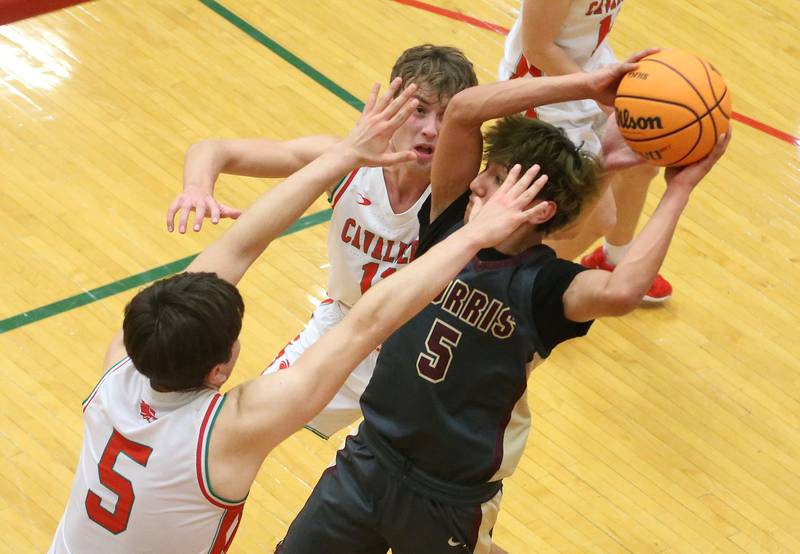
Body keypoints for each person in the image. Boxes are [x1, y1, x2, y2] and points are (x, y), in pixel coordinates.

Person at [49, 79, 547, 553]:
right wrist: (473, 235)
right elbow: (364, 322)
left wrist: (346, 154)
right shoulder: (228, 432)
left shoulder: (120, 367)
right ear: (220, 369)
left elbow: (241, 247)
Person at [276, 57, 730, 553]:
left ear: (536, 205)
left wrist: (679, 190)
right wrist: (585, 84)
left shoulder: (545, 288)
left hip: (450, 496)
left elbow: (622, 291)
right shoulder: (447, 226)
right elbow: (465, 111)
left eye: (492, 179)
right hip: (369, 459)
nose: (474, 182)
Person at [166, 44, 478, 439]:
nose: (431, 129)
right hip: (340, 326)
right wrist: (197, 187)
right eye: (419, 110)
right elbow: (215, 149)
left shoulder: (468, 192)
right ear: (391, 105)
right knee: (236, 431)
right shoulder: (344, 161)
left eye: (446, 116)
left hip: (421, 353)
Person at [499, 0, 672, 302]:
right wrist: (597, 93)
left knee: (641, 162)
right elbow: (537, 46)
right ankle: (512, 294)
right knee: (596, 216)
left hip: (590, 65)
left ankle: (614, 261)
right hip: (545, 90)